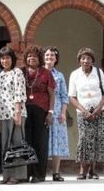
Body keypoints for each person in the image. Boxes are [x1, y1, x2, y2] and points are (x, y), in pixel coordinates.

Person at [68, 47, 104, 180]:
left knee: (96, 138)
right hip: (82, 112)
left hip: (99, 111)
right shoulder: (75, 74)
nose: (85, 61)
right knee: (84, 139)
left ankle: (93, 171)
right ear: (79, 61)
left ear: (92, 60)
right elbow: (72, 96)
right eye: (83, 58)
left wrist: (98, 109)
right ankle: (82, 170)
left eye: (88, 58)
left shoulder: (99, 73)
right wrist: (84, 111)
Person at [21, 45, 55, 183]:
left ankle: (39, 174)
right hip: (25, 111)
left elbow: (52, 95)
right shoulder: (21, 72)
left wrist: (50, 113)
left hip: (42, 111)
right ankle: (26, 172)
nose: (31, 58)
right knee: (26, 142)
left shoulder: (46, 73)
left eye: (34, 56)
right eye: (29, 56)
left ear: (39, 58)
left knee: (40, 143)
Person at [0, 47, 27, 184]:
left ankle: (17, 176)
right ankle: (7, 175)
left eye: (7, 58)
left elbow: (19, 92)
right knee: (6, 146)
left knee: (17, 144)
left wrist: (17, 112)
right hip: (3, 115)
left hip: (16, 113)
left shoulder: (17, 72)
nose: (5, 60)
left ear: (12, 59)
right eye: (2, 58)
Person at [44, 47, 69, 181]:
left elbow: (65, 96)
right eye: (47, 55)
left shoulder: (59, 76)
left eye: (52, 56)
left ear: (56, 59)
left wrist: (63, 113)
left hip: (57, 111)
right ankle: (40, 171)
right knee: (42, 141)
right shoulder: (39, 73)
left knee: (57, 142)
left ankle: (56, 172)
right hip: (42, 110)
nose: (49, 58)